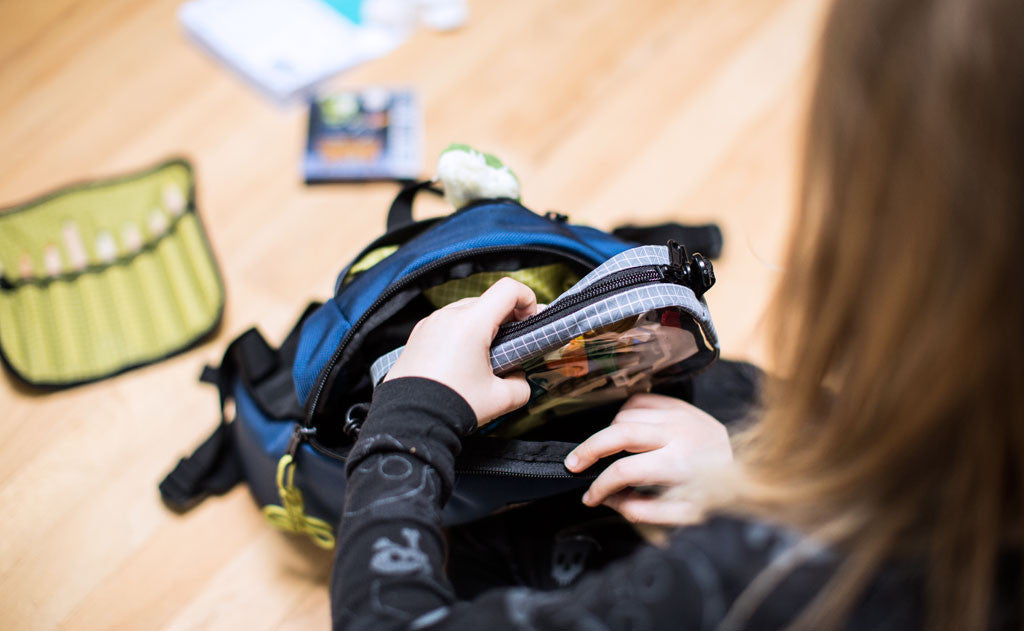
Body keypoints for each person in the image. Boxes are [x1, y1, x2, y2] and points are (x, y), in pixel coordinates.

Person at [330, 0, 1024, 627]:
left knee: (489, 552)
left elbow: (386, 620)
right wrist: (741, 472)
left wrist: (411, 414)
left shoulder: (766, 579)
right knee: (726, 395)